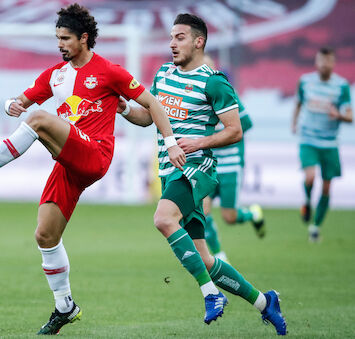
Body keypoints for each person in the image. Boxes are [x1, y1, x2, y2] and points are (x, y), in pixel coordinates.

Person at [0, 3, 185, 334]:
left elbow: (151, 105)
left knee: (40, 120)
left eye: (66, 38)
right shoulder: (54, 76)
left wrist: (169, 143)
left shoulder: (110, 72)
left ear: (83, 39)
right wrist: (10, 105)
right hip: (69, 159)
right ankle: (65, 306)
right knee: (45, 234)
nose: (60, 44)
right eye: (57, 38)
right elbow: (20, 103)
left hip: (94, 154)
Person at [118, 14, 286, 335]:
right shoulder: (164, 74)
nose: (171, 43)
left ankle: (211, 294)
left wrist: (200, 141)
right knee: (206, 259)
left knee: (163, 219)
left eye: (179, 37)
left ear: (199, 41)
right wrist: (123, 108)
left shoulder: (215, 81)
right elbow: (147, 118)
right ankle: (265, 302)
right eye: (170, 37)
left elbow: (235, 131)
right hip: (171, 171)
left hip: (198, 169)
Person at [200, 54, 264, 263]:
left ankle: (253, 214)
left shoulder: (227, 94)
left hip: (230, 164)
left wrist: (223, 131)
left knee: (230, 217)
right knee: (203, 209)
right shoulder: (195, 98)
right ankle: (219, 255)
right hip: (208, 163)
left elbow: (245, 124)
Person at [291, 47, 352, 243]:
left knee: (326, 187)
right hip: (308, 139)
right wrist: (294, 122)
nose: (324, 65)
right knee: (310, 177)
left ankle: (315, 227)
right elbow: (299, 103)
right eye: (321, 61)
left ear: (333, 63)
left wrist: (339, 115)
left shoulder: (341, 86)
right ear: (316, 62)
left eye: (328, 61)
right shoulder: (305, 81)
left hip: (330, 143)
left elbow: (350, 116)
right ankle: (308, 201)